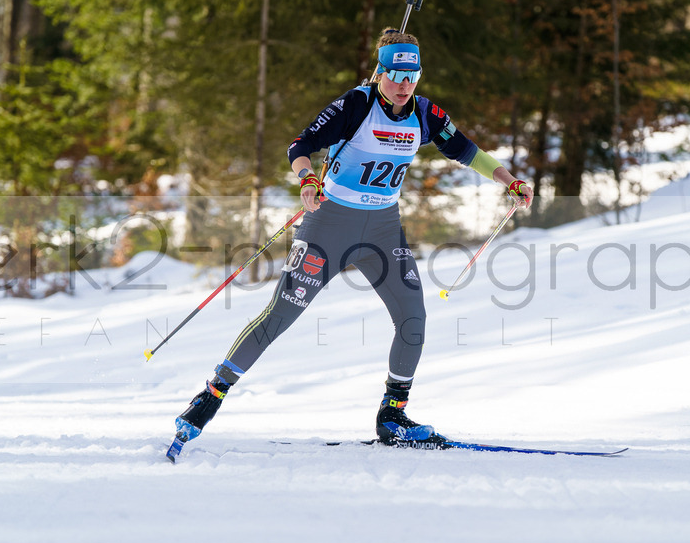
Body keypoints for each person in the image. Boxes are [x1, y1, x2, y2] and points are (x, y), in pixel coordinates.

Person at [167, 27, 533, 459]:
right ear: (380, 72)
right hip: (329, 226)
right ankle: (210, 396)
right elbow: (300, 145)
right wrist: (307, 179)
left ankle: (393, 416)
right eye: (395, 76)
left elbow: (466, 150)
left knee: (413, 318)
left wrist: (510, 181)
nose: (403, 85)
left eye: (411, 76)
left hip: (382, 230)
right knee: (281, 314)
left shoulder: (425, 112)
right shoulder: (355, 105)